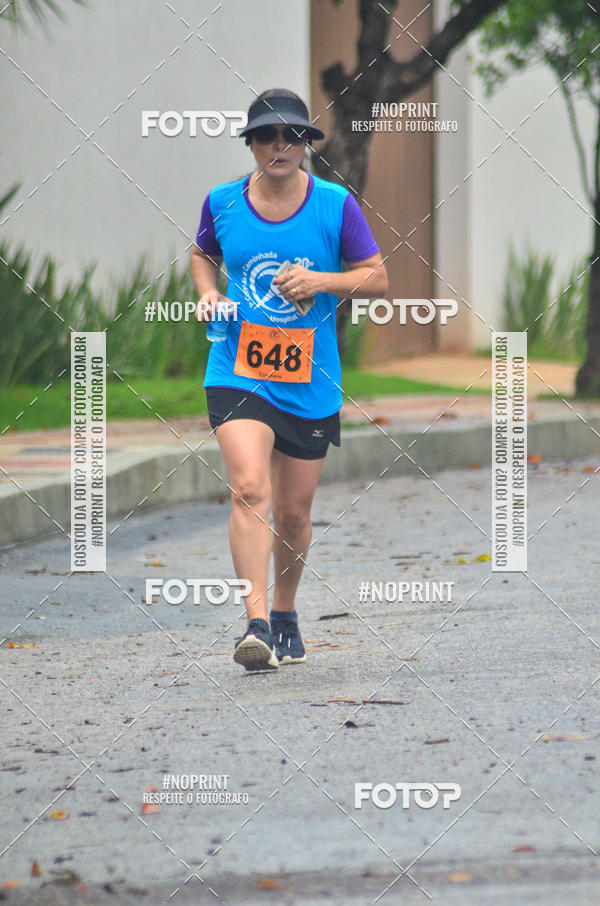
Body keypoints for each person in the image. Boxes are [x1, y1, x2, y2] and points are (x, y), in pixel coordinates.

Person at [191, 88, 389, 672]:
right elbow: (202, 253)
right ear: (251, 143)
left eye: (294, 135)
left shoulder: (334, 204)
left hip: (309, 377)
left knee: (295, 514)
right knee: (251, 487)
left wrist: (320, 282)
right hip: (237, 368)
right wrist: (207, 294)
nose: (281, 146)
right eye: (269, 135)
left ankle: (284, 612)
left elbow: (377, 278)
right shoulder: (222, 202)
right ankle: (253, 623)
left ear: (306, 144)